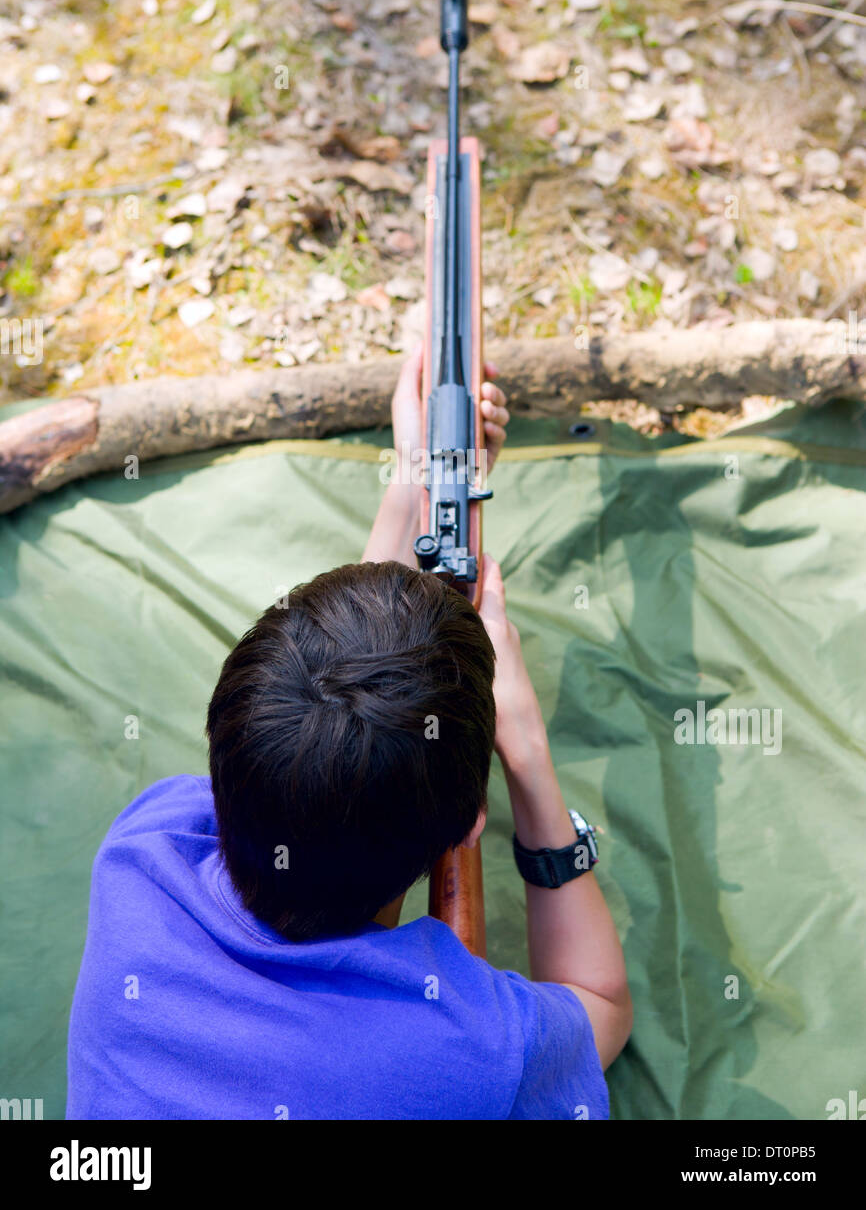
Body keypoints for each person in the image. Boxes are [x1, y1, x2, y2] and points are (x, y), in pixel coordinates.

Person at [66, 346, 632, 1120]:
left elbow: (322, 726)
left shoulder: (142, 854)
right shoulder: (476, 1054)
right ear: (474, 820)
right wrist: (528, 753)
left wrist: (414, 480)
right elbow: (599, 1003)